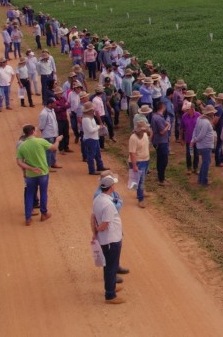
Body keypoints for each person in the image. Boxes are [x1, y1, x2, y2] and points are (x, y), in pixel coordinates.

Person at [16, 125, 62, 226]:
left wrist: (30, 168)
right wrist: (58, 140)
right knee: (43, 192)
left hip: (30, 175)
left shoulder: (22, 146)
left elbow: (19, 162)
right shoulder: (40, 141)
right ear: (32, 131)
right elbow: (54, 148)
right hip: (43, 172)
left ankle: (28, 218)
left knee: (29, 194)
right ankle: (44, 213)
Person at [92, 175, 125, 304]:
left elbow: (93, 217)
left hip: (107, 239)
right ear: (111, 187)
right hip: (111, 239)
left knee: (108, 265)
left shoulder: (98, 199)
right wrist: (98, 229)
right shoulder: (108, 205)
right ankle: (110, 295)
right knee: (111, 266)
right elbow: (105, 224)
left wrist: (95, 232)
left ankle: (111, 288)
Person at [191, 105, 217, 186]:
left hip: (201, 145)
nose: (214, 114)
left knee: (204, 162)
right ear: (210, 113)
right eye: (213, 113)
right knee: (206, 163)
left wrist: (193, 139)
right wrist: (194, 140)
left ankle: (200, 179)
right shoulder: (206, 122)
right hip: (205, 145)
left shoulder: (200, 118)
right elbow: (202, 135)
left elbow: (195, 129)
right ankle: (204, 181)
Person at [128, 122, 151, 208]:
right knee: (140, 181)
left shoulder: (144, 135)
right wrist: (134, 165)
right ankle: (140, 199)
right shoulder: (133, 138)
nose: (144, 131)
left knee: (142, 179)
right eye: (142, 129)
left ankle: (140, 192)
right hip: (138, 161)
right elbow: (132, 153)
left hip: (145, 160)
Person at [81, 103, 105, 175]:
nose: (93, 110)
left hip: (94, 138)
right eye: (92, 109)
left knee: (97, 154)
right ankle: (91, 170)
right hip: (90, 139)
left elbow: (93, 127)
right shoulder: (86, 119)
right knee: (91, 155)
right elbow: (90, 130)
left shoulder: (90, 117)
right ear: (89, 110)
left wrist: (98, 126)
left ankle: (100, 166)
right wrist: (99, 127)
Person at [150, 100, 170, 185]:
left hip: (157, 141)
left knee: (159, 159)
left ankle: (160, 177)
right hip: (162, 141)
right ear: (163, 107)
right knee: (163, 160)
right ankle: (161, 179)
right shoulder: (159, 118)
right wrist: (168, 125)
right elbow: (162, 131)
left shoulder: (154, 116)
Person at [38, 98, 61, 170]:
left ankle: (53, 163)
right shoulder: (44, 113)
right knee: (48, 151)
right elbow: (41, 125)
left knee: (54, 150)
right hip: (48, 135)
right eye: (54, 103)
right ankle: (48, 166)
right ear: (49, 104)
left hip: (54, 134)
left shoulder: (52, 110)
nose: (55, 104)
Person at [180, 101, 199, 173]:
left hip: (196, 139)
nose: (186, 111)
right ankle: (189, 168)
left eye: (188, 109)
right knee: (189, 154)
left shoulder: (198, 115)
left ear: (192, 108)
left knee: (196, 154)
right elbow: (181, 128)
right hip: (188, 139)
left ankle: (196, 168)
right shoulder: (184, 116)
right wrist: (181, 138)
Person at [212, 93, 223, 167]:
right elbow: (215, 120)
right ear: (222, 100)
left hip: (221, 129)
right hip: (221, 129)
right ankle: (218, 162)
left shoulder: (218, 107)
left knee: (220, 145)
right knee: (219, 145)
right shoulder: (219, 108)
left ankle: (221, 159)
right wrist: (214, 126)